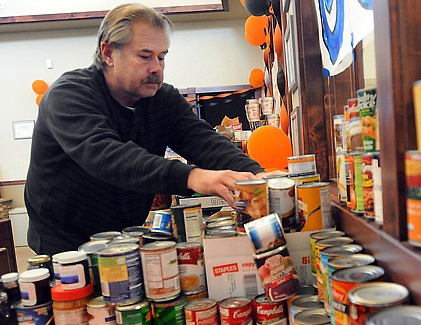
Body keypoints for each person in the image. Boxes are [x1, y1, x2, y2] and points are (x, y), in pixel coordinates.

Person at [24, 4, 266, 255]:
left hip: (124, 232)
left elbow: (203, 141)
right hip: (63, 240)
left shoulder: (162, 99)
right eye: (145, 56)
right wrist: (193, 177)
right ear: (108, 53)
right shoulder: (69, 95)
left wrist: (256, 175)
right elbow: (107, 155)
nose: (156, 68)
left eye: (161, 57)